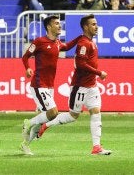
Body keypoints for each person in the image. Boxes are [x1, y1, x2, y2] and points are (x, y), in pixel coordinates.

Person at [37, 14, 112, 155]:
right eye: (93, 24)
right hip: (80, 86)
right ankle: (45, 125)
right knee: (73, 116)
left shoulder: (91, 42)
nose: (96, 27)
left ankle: (96, 147)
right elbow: (81, 64)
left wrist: (95, 76)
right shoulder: (83, 43)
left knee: (96, 113)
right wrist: (99, 72)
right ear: (85, 27)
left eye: (96, 24)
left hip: (92, 86)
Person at [20, 15, 79, 155]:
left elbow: (67, 46)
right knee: (53, 112)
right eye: (56, 23)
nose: (60, 26)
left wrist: (80, 38)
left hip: (49, 86)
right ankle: (28, 123)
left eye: (60, 23)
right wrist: (27, 68)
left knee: (44, 119)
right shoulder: (39, 41)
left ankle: (25, 144)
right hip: (39, 84)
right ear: (49, 26)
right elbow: (25, 56)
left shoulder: (58, 43)